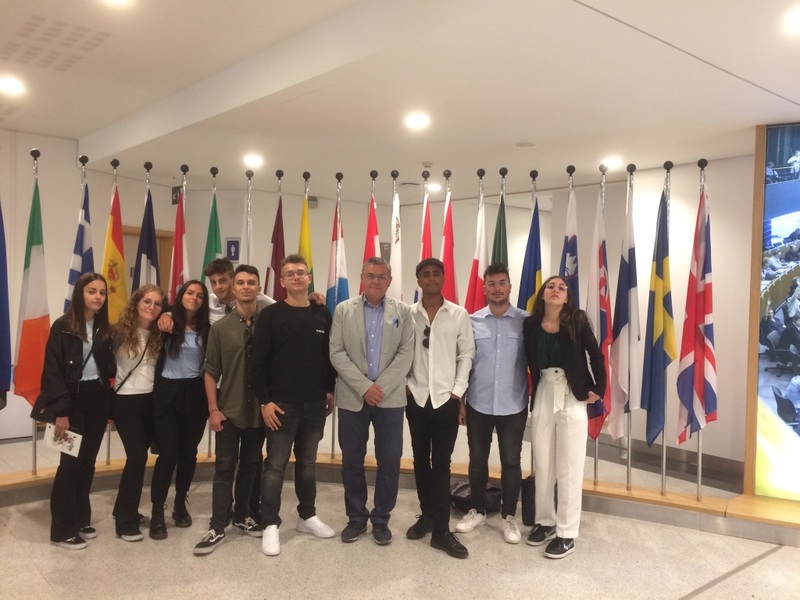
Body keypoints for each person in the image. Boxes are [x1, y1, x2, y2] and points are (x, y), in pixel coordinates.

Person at [250, 254, 336, 556]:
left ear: (309, 278)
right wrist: (265, 402)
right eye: (290, 274)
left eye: (301, 272)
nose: (297, 277)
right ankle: (270, 524)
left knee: (308, 463)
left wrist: (329, 389)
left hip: (315, 404)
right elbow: (257, 363)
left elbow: (327, 356)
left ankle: (307, 516)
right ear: (282, 281)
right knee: (275, 466)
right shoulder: (271, 315)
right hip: (281, 406)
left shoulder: (322, 313)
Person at [329, 257, 414, 546]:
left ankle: (381, 519)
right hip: (353, 397)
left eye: (381, 276)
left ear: (389, 280)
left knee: (389, 460)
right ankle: (355, 518)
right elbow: (336, 352)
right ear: (362, 278)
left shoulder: (403, 312)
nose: (376, 281)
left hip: (390, 400)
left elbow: (406, 354)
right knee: (351, 460)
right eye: (370, 275)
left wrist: (380, 388)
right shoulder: (344, 310)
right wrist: (365, 387)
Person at [522, 276, 605, 559]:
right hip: (544, 392)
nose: (555, 290)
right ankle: (545, 522)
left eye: (561, 288)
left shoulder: (577, 320)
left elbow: (596, 355)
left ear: (567, 297)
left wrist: (598, 389)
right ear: (543, 294)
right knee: (543, 463)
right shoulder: (531, 325)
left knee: (569, 467)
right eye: (550, 286)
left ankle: (567, 533)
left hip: (571, 394)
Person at [33, 273, 115, 549]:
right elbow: (52, 371)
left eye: (102, 292)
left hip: (98, 398)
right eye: (92, 291)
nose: (98, 297)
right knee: (70, 464)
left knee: (88, 461)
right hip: (72, 401)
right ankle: (61, 529)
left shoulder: (104, 326)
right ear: (80, 293)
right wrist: (61, 411)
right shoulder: (63, 326)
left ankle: (80, 518)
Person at [194, 265, 267, 555]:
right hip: (229, 410)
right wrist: (213, 409)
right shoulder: (220, 328)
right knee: (224, 468)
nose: (246, 287)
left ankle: (242, 515)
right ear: (233, 289)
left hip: (258, 413)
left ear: (259, 288)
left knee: (251, 465)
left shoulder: (269, 324)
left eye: (251, 282)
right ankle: (217, 524)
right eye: (241, 282)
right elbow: (211, 371)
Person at [406, 258, 475, 559]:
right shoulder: (408, 314)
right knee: (420, 460)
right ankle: (428, 515)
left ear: (443, 278)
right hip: (416, 397)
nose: (431, 279)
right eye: (425, 275)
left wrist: (457, 393)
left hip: (446, 399)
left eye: (436, 274)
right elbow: (400, 351)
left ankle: (442, 531)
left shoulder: (458, 314)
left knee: (442, 463)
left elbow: (466, 355)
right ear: (418, 280)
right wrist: (406, 385)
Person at [455, 263, 528, 545]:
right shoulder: (471, 321)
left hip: (513, 404)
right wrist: (461, 401)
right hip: (478, 403)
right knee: (477, 459)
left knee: (511, 462)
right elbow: (464, 363)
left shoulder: (525, 321)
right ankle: (477, 510)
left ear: (510, 287)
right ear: (484, 287)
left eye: (502, 283)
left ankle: (509, 516)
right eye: (492, 283)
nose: (497, 288)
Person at [149, 280, 211, 540]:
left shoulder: (207, 328)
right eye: (190, 292)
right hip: (167, 392)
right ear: (181, 294)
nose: (194, 298)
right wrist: (163, 314)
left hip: (195, 393)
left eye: (200, 295)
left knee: (189, 453)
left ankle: (179, 503)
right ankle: (157, 511)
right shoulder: (166, 322)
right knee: (167, 454)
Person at [112, 284, 166, 542]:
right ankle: (124, 523)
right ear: (136, 302)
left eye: (157, 304)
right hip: (126, 401)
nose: (152, 307)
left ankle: (123, 509)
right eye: (147, 301)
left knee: (139, 458)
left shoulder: (161, 334)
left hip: (151, 402)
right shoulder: (118, 332)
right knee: (136, 458)